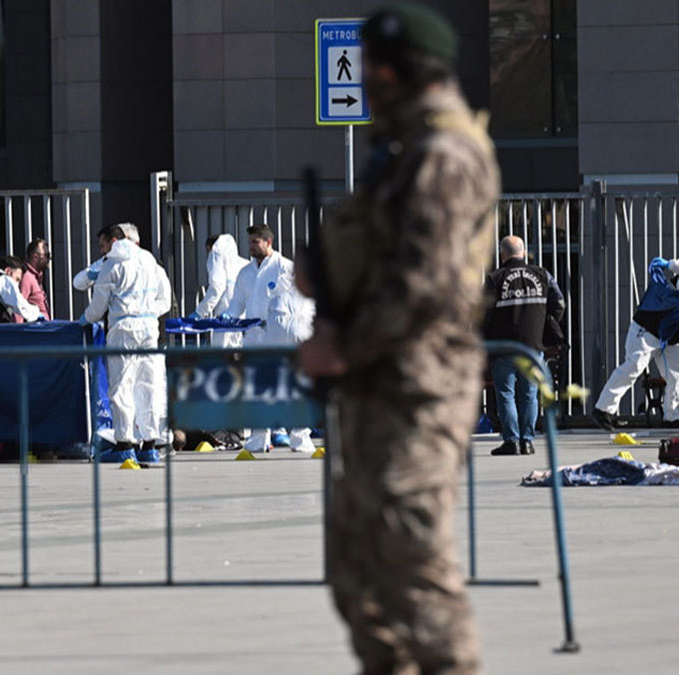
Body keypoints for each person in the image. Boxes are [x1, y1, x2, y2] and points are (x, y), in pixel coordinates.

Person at [296, 5, 499, 673]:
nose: (369, 81)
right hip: (372, 384)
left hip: (419, 385)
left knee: (413, 562)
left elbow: (425, 285)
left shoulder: (446, 154)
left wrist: (342, 347)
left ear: (402, 71)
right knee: (357, 572)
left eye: (377, 69)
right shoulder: (400, 151)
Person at [82, 224, 172, 464]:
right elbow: (164, 297)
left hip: (122, 330)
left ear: (113, 241)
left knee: (121, 386)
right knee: (147, 384)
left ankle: (125, 443)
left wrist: (85, 319)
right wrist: (146, 314)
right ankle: (150, 443)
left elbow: (98, 306)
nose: (101, 251)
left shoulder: (111, 265)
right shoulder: (149, 260)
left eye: (102, 245)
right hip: (148, 329)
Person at [483, 235, 565, 455]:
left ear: (503, 255)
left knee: (506, 394)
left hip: (504, 347)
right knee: (529, 394)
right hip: (533, 345)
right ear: (524, 252)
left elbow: (483, 314)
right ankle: (527, 441)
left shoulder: (495, 279)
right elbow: (559, 304)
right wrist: (545, 324)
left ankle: (511, 441)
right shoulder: (542, 275)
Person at [226, 224, 297, 452]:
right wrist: (227, 318)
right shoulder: (245, 273)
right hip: (254, 336)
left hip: (278, 334)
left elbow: (298, 304)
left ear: (269, 242)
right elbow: (237, 303)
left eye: (256, 242)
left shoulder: (285, 268)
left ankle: (295, 435)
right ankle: (259, 439)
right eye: (250, 242)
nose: (251, 247)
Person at [592, 256, 679, 430]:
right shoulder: (666, 292)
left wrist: (669, 264)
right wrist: (669, 264)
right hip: (647, 329)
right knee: (634, 365)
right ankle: (603, 409)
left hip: (670, 335)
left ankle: (673, 417)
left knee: (676, 374)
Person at [191, 234, 249, 347]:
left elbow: (217, 287)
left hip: (224, 317)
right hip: (241, 319)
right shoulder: (244, 263)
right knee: (237, 358)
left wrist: (200, 312)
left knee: (220, 359)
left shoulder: (216, 256)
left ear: (210, 247)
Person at [72, 223, 140, 293]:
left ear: (135, 244)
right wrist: (93, 274)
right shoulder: (106, 261)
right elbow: (77, 283)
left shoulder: (144, 262)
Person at [0, 255, 41, 323]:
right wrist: (36, 314)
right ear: (8, 271)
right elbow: (18, 302)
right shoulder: (3, 280)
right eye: (17, 279)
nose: (17, 285)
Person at [17, 237, 51, 322]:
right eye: (46, 255)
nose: (49, 259)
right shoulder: (27, 277)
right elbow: (18, 307)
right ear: (35, 257)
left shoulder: (36, 277)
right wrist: (17, 331)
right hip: (35, 331)